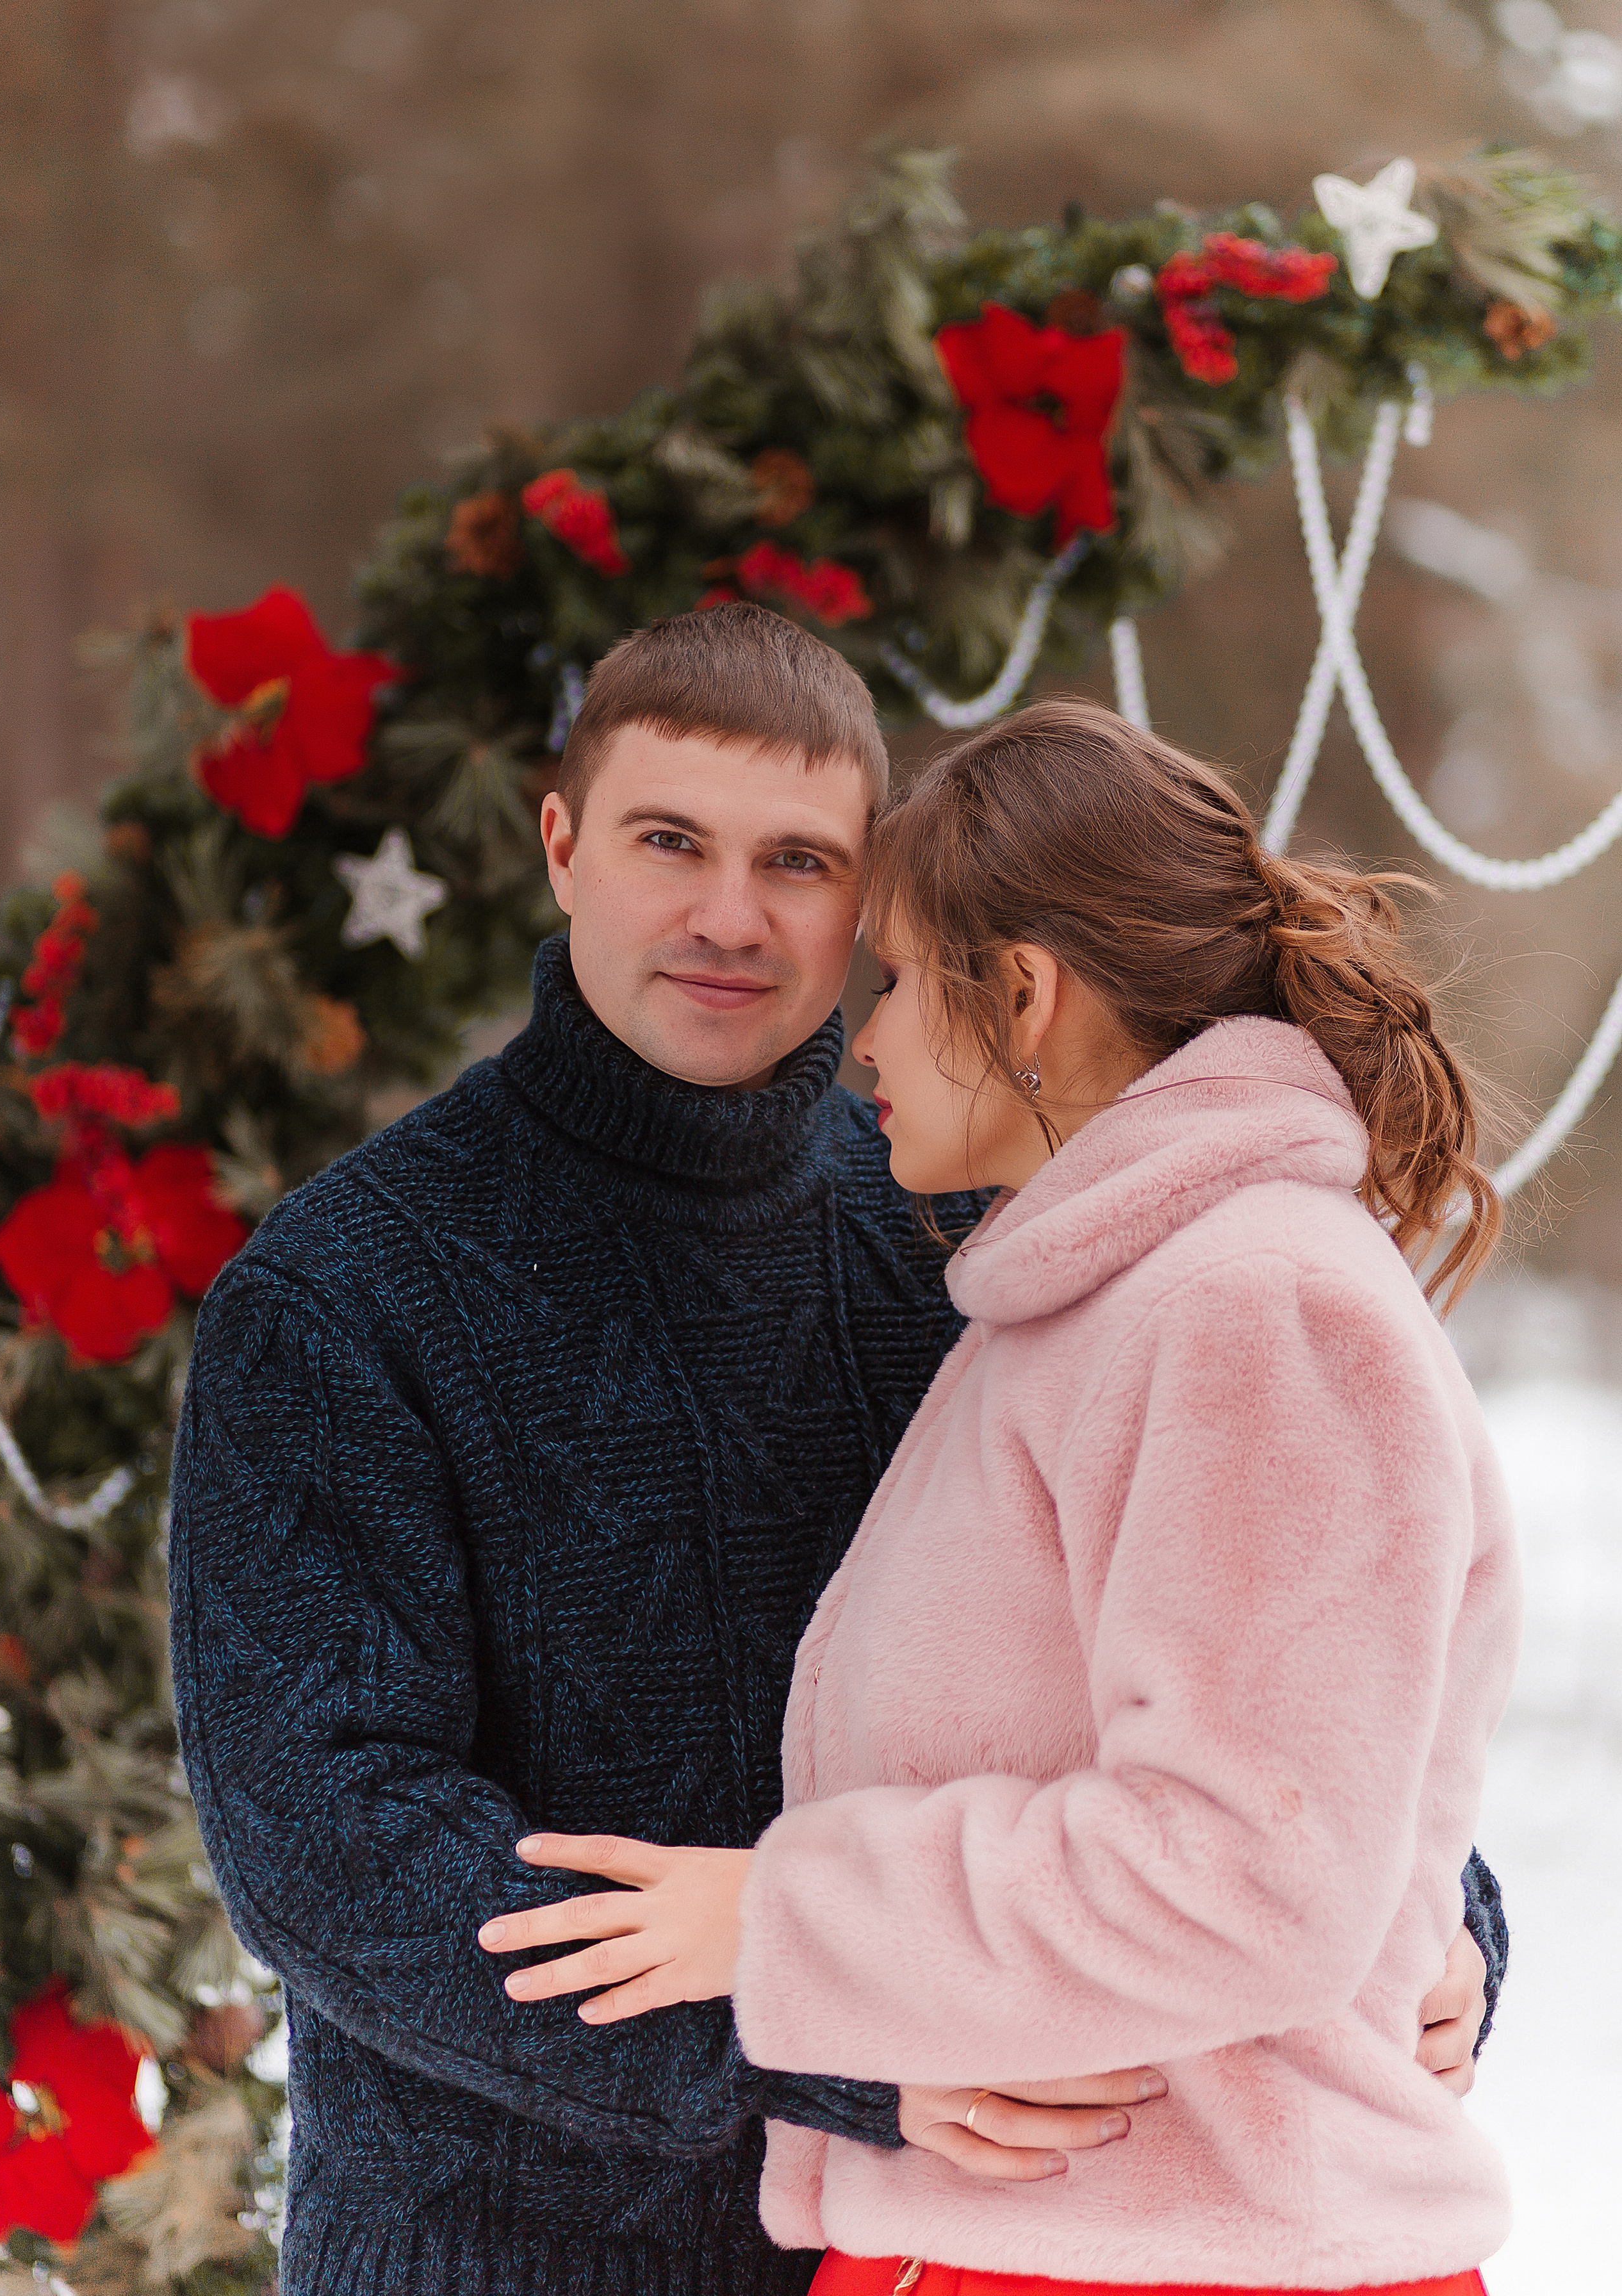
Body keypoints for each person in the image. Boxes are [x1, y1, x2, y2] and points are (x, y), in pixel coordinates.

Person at [169, 620, 1502, 2296]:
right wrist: (815, 2040)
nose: (733, 915)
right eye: (671, 843)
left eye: (797, 863)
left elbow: (1236, 1668)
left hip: (987, 2231)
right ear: (562, 845)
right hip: (515, 2253)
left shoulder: (995, 1228)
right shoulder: (348, 1288)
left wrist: (1423, 1922)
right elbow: (333, 1846)